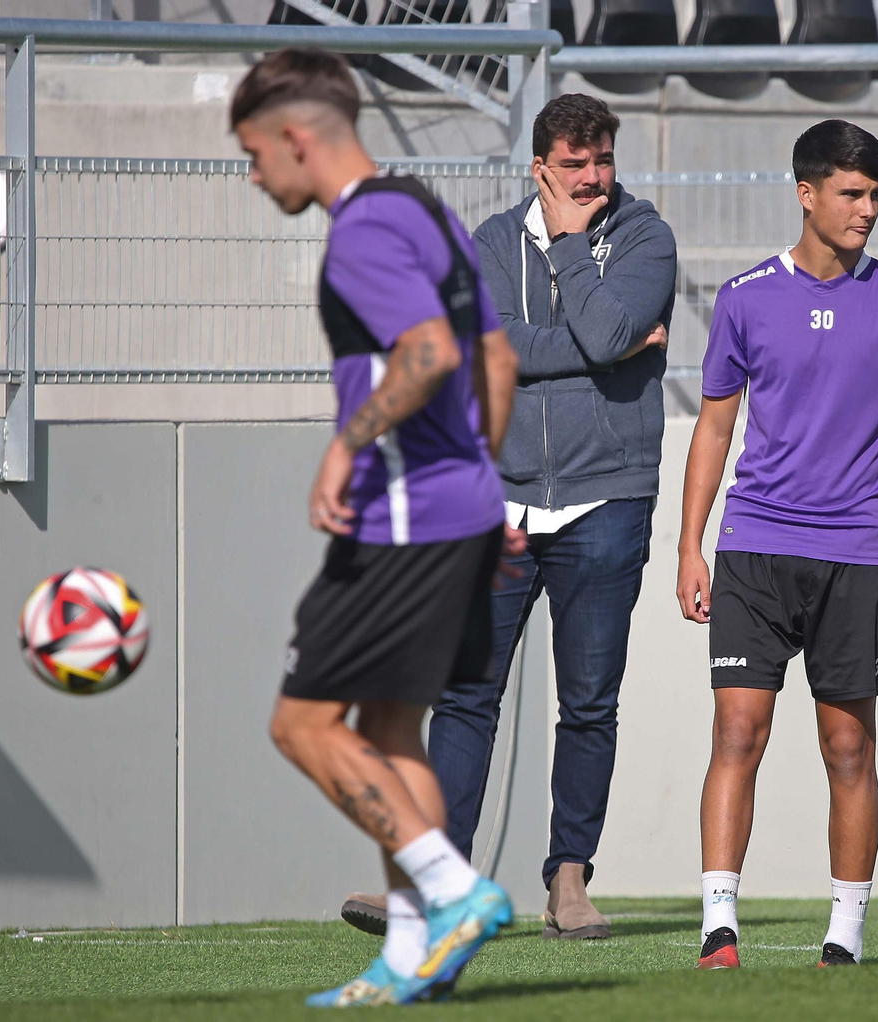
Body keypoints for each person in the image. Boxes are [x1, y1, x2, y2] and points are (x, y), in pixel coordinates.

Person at [340, 93, 677, 942]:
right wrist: (605, 344)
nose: (594, 178)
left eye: (602, 161)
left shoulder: (643, 237)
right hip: (501, 503)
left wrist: (571, 253)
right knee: (463, 698)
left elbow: (592, 334)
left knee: (589, 703)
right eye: (575, 165)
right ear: (540, 167)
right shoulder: (488, 243)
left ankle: (569, 884)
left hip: (608, 498)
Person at [232, 48, 521, 1006]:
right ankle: (413, 959)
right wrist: (484, 490)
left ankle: (452, 891)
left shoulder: (359, 231)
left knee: (302, 724)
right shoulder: (426, 209)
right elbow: (495, 358)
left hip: (401, 521)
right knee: (394, 733)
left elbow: (432, 352)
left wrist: (346, 447)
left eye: (251, 154)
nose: (254, 174)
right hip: (459, 509)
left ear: (293, 137)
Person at [676, 120, 878, 970]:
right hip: (754, 548)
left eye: (877, 195)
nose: (868, 210)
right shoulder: (744, 299)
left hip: (856, 553)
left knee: (848, 745)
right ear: (806, 193)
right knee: (738, 732)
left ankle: (843, 938)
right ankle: (718, 928)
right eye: (853, 193)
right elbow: (712, 430)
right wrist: (689, 546)